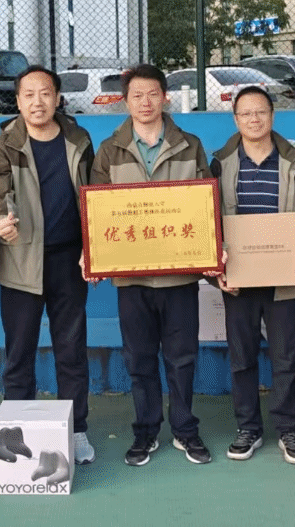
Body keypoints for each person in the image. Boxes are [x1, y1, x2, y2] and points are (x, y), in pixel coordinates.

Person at [91, 63, 213, 467]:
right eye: (136, 96)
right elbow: (96, 212)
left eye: (152, 94)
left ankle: (185, 430)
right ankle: (145, 432)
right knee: (139, 359)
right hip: (132, 279)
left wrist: (212, 249)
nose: (145, 103)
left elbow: (206, 206)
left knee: (182, 358)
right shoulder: (109, 150)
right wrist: (94, 254)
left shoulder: (190, 145)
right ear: (126, 102)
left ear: (165, 97)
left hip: (180, 276)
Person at [210, 86, 295, 466]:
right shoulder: (220, 163)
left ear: (272, 116)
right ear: (236, 120)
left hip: (285, 277)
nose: (254, 119)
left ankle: (288, 429)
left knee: (286, 357)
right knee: (242, 358)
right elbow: (209, 220)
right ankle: (248, 428)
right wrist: (214, 268)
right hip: (240, 278)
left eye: (260, 112)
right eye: (246, 113)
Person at [0, 66, 97, 464]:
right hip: (21, 260)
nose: (38, 102)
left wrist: (93, 247)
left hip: (69, 260)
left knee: (72, 350)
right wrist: (1, 220)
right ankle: (17, 433)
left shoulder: (79, 139)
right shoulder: (4, 144)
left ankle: (77, 430)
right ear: (18, 101)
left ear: (58, 98)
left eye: (45, 93)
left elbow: (94, 196)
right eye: (29, 95)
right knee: (19, 353)